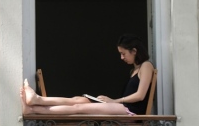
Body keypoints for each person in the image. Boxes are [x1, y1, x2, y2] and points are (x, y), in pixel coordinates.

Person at [21, 34, 154, 116]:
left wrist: (114, 101)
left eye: (123, 53)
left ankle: (33, 110)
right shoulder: (134, 70)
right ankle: (38, 100)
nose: (121, 57)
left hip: (131, 112)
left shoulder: (146, 66)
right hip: (123, 108)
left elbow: (140, 95)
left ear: (134, 51)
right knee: (79, 100)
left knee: (78, 107)